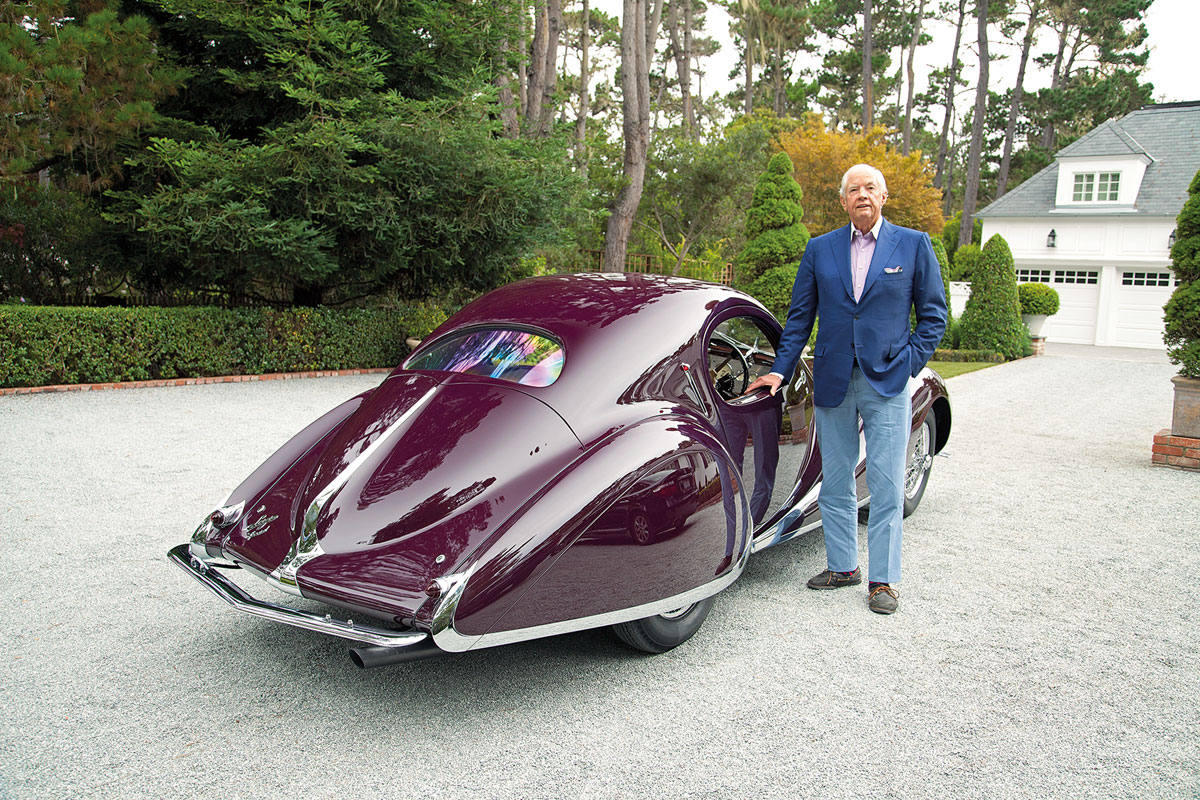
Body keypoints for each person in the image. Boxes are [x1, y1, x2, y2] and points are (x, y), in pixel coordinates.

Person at [744, 163, 947, 615]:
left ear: (883, 196)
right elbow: (799, 320)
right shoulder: (820, 249)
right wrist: (779, 370)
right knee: (834, 481)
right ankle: (843, 566)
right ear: (842, 200)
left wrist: (908, 365)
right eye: (853, 189)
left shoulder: (912, 245)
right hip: (833, 381)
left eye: (870, 188)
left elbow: (934, 317)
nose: (862, 195)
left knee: (887, 483)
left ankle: (883, 581)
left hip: (887, 382)